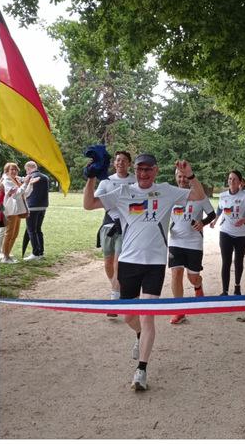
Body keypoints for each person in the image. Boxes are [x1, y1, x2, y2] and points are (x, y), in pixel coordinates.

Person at [83, 153, 204, 391]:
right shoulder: (123, 192)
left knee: (148, 315)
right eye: (140, 169)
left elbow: (199, 196)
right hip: (128, 262)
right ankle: (139, 336)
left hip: (155, 263)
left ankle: (141, 370)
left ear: (156, 170)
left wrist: (190, 174)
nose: (143, 173)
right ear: (135, 170)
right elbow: (89, 205)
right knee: (129, 316)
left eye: (148, 169)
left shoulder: (167, 191)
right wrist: (90, 177)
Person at [167, 163, 215, 324]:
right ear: (176, 178)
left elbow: (212, 214)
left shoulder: (199, 195)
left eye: (184, 176)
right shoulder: (171, 195)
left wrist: (202, 223)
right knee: (176, 274)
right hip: (175, 241)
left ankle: (198, 285)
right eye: (179, 177)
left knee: (192, 277)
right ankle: (179, 311)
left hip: (194, 242)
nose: (182, 179)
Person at [92, 150, 132, 312]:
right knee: (108, 262)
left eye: (123, 160)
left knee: (118, 263)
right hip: (108, 226)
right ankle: (117, 287)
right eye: (117, 160)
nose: (120, 163)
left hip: (127, 228)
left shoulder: (135, 181)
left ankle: (114, 300)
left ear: (129, 163)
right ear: (114, 163)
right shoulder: (105, 182)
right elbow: (95, 201)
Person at [211, 169, 245, 295]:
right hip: (225, 232)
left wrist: (244, 220)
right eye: (230, 179)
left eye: (235, 179)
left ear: (240, 182)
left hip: (241, 234)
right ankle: (224, 291)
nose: (232, 181)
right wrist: (215, 221)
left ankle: (237, 287)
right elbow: (220, 209)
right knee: (226, 261)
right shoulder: (223, 195)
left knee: (238, 261)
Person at [0, 163, 29, 262]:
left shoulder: (15, 179)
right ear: (7, 171)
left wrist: (28, 184)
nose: (14, 171)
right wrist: (26, 183)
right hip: (10, 210)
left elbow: (23, 192)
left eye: (16, 170)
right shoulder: (7, 181)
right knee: (9, 234)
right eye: (12, 169)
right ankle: (5, 257)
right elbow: (16, 194)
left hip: (17, 210)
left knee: (14, 234)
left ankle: (8, 254)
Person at [20, 161, 49, 259]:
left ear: (28, 169)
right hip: (43, 206)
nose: (26, 173)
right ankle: (41, 252)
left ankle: (35, 253)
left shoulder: (31, 178)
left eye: (26, 171)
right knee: (38, 229)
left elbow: (26, 191)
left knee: (31, 230)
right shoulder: (45, 177)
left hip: (32, 206)